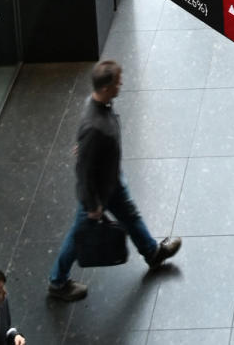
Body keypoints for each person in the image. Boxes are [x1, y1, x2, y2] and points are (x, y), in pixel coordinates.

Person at [47, 60, 181, 301]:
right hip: (98, 192)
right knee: (80, 232)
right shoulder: (94, 125)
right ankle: (57, 282)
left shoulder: (100, 106)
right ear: (107, 87)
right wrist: (93, 206)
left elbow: (85, 152)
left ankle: (152, 252)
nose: (121, 84)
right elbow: (84, 170)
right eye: (118, 81)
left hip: (111, 180)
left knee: (130, 215)